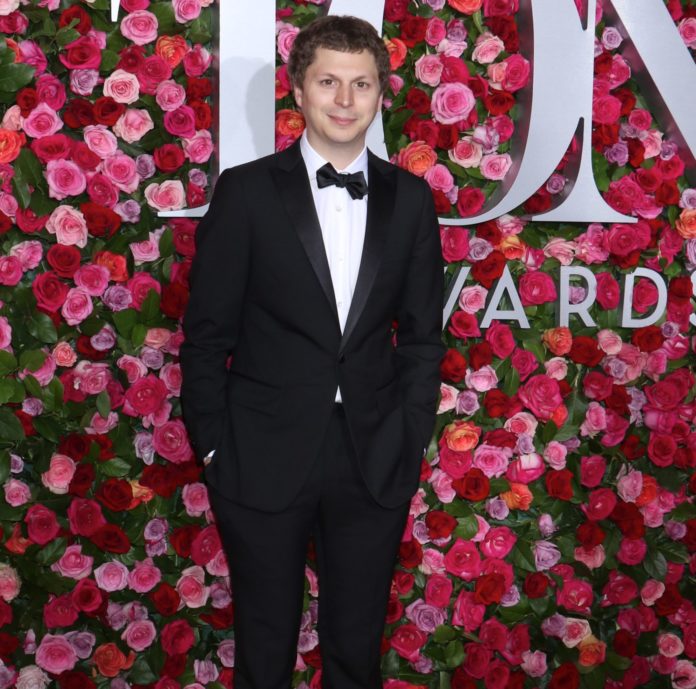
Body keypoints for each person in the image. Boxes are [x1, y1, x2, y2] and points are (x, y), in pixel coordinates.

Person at [180, 14, 444, 689]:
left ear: (381, 92)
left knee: (355, 651)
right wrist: (214, 445)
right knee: (263, 651)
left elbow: (421, 336)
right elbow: (207, 335)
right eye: (329, 81)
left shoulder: (411, 202)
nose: (345, 100)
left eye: (362, 84)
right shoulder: (245, 193)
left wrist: (410, 434)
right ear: (298, 90)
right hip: (260, 451)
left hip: (373, 453)